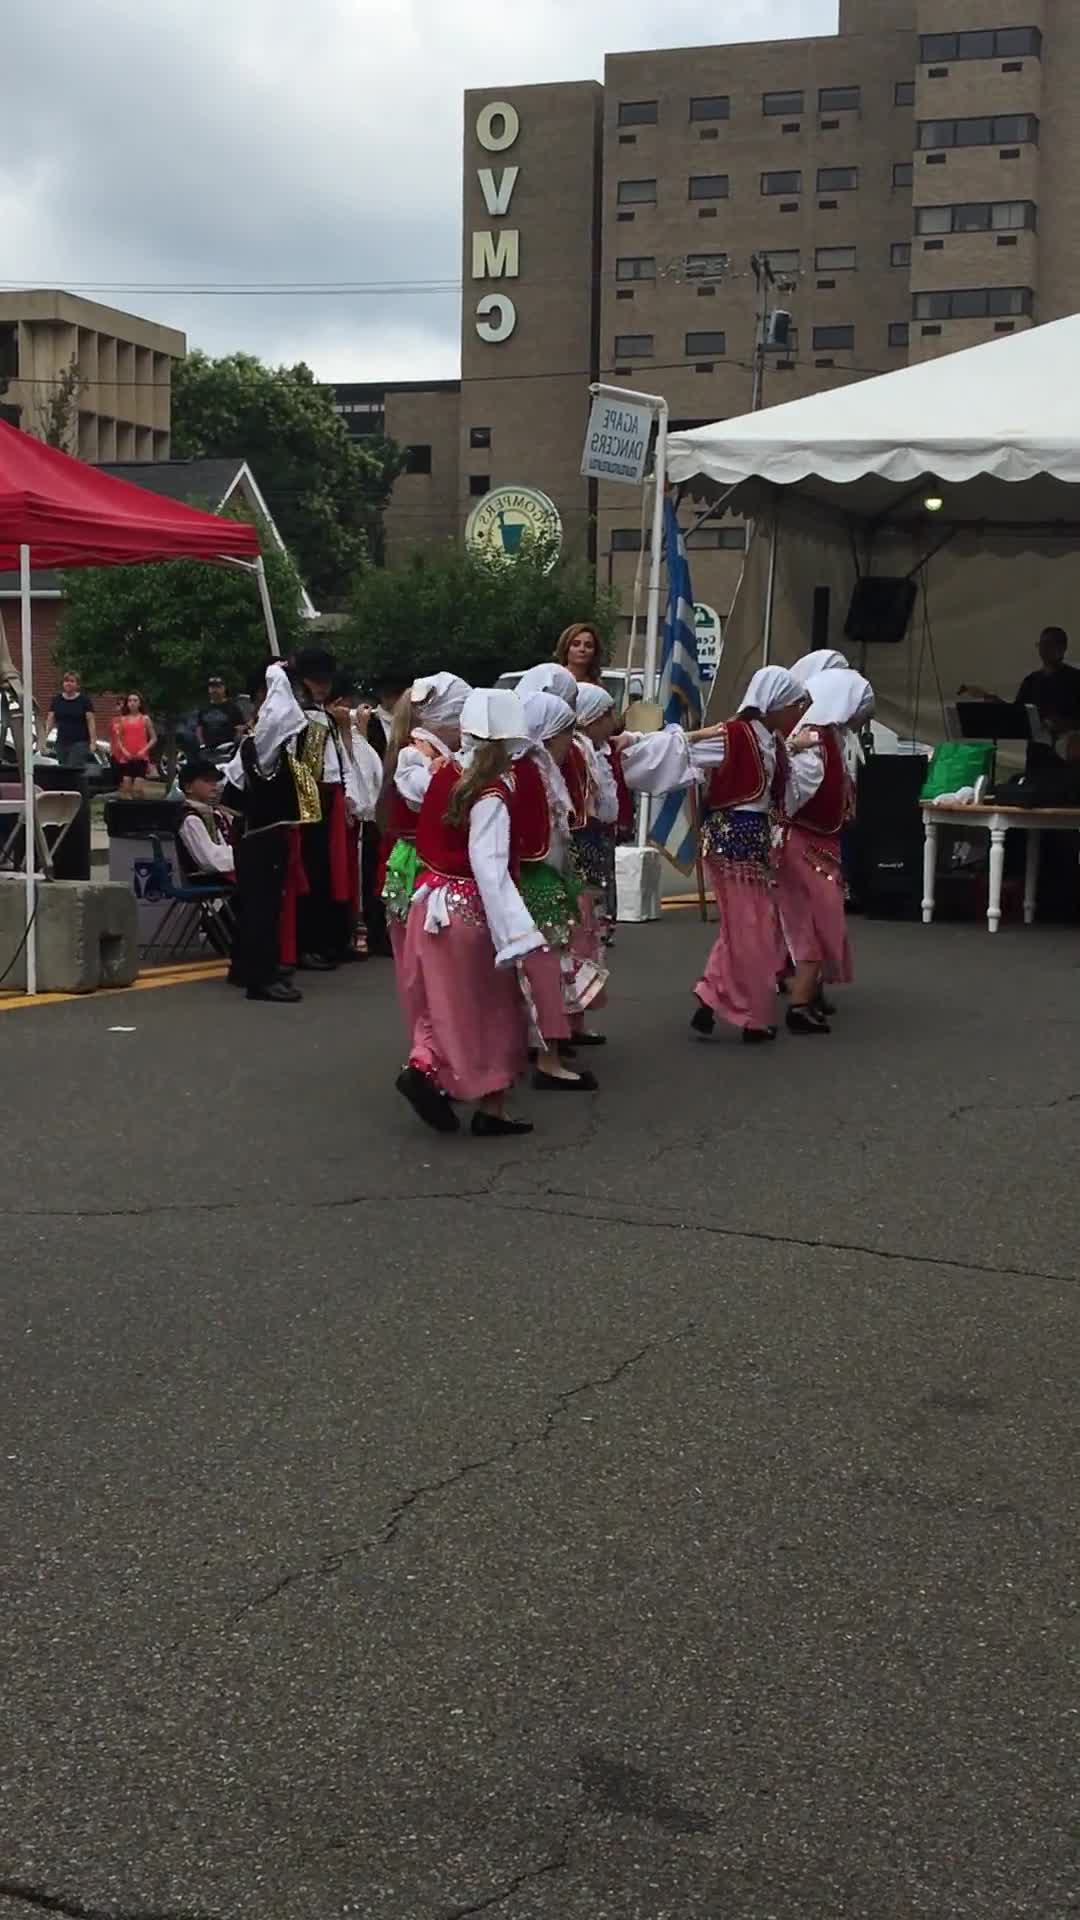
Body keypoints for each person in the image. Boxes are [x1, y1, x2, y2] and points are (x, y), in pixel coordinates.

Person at [397, 688, 566, 1138]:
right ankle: (492, 1108)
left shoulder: (445, 772)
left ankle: (424, 1064)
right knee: (495, 1006)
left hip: (429, 901)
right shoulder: (491, 792)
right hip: (469, 908)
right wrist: (517, 931)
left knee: (442, 1001)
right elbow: (489, 866)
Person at [620, 667, 808, 1044]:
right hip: (731, 840)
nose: (797, 713)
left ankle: (711, 996)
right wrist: (631, 746)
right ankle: (753, 1016)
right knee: (751, 927)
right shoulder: (732, 735)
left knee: (746, 924)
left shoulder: (771, 740)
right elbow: (683, 750)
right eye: (793, 705)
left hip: (754, 842)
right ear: (773, 705)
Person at [777, 670, 873, 1035]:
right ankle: (799, 1003)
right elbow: (791, 794)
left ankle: (807, 995)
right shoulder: (812, 741)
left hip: (819, 842)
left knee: (818, 921)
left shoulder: (827, 737)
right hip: (804, 843)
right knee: (815, 922)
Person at [219, 660, 319, 1004]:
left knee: (260, 906)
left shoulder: (262, 742)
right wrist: (277, 672)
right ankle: (260, 978)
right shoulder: (263, 741)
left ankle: (249, 967)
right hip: (260, 835)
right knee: (262, 907)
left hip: (260, 834)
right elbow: (280, 714)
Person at [517, 691, 602, 1090]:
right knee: (545, 972)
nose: (572, 741)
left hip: (542, 878)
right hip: (538, 881)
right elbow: (542, 839)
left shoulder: (542, 771)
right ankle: (547, 1059)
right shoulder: (534, 774)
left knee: (542, 971)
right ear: (550, 733)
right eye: (567, 733)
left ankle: (542, 1049)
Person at [378, 672, 472, 1031]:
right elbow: (429, 801)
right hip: (421, 866)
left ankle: (443, 1042)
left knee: (442, 966)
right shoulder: (415, 756)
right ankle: (431, 1046)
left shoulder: (441, 755)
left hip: (433, 864)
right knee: (426, 965)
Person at [176, 758, 236, 880]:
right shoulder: (190, 819)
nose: (214, 785)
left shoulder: (214, 814)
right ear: (188, 787)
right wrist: (245, 857)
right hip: (206, 878)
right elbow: (211, 861)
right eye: (207, 780)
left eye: (215, 780)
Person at [46, 671, 97, 769]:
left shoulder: (84, 701)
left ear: (77, 685)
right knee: (63, 768)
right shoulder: (57, 700)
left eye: (72, 681)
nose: (68, 683)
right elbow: (50, 720)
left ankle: (75, 784)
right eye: (66, 681)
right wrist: (44, 738)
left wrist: (93, 742)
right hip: (62, 741)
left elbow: (91, 722)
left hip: (80, 742)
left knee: (73, 767)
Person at [109, 692, 156, 795]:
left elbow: (153, 738)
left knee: (137, 790)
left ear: (139, 703)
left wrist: (144, 750)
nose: (132, 703)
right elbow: (119, 740)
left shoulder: (145, 719)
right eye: (130, 701)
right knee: (126, 789)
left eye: (135, 700)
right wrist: (124, 751)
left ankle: (143, 806)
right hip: (127, 758)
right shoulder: (123, 720)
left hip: (141, 757)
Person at [196, 675, 245, 754]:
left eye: (218, 687)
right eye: (212, 687)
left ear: (224, 688)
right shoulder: (204, 708)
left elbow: (240, 728)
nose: (215, 690)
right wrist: (202, 744)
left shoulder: (233, 708)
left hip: (227, 749)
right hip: (209, 749)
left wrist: (235, 745)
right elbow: (199, 728)